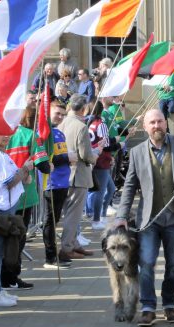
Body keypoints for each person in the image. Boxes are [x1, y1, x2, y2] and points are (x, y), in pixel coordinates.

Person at [114, 109, 174, 327]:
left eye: (160, 121)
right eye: (152, 123)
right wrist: (121, 216)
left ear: (166, 123)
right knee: (146, 262)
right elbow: (129, 187)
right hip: (149, 220)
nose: (157, 126)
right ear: (145, 127)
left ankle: (170, 305)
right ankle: (147, 307)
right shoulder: (136, 152)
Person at [0, 135, 33, 307]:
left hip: (6, 206)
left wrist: (24, 174)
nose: (6, 137)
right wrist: (25, 169)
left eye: (8, 134)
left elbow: (14, 179)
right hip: (0, 208)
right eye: (1, 134)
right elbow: (9, 182)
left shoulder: (2, 154)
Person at [3, 107, 51, 290]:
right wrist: (49, 165)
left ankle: (5, 277)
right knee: (18, 239)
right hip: (24, 194)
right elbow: (43, 165)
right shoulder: (29, 135)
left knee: (4, 238)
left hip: (2, 196)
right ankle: (11, 277)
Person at [58, 94, 101, 259]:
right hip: (77, 175)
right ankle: (67, 247)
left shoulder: (60, 122)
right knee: (73, 214)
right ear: (84, 109)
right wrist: (95, 154)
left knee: (70, 213)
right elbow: (85, 154)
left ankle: (74, 244)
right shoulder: (81, 126)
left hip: (63, 174)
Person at [41, 99, 73, 269]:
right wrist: (68, 158)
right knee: (50, 221)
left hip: (62, 182)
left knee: (55, 220)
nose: (60, 117)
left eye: (62, 114)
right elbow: (46, 158)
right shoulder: (45, 133)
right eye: (57, 113)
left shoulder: (59, 132)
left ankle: (54, 255)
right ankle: (50, 257)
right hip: (51, 183)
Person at [86, 100, 120, 230]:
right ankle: (95, 219)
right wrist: (118, 145)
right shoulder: (100, 124)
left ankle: (101, 215)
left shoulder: (89, 123)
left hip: (96, 159)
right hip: (101, 160)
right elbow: (106, 146)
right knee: (99, 191)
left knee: (110, 188)